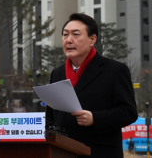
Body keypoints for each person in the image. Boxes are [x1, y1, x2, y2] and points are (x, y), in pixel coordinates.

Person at [45, 13, 138, 158]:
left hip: (100, 152)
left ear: (92, 39)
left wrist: (95, 118)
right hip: (62, 152)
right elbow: (51, 116)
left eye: (75, 35)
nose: (68, 40)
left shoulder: (115, 70)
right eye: (65, 35)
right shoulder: (57, 73)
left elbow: (128, 112)